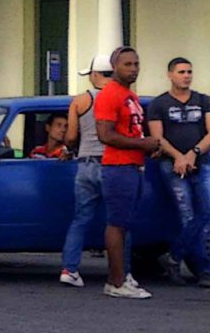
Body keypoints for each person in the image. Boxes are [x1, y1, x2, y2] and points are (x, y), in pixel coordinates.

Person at [91, 48, 160, 299]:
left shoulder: (129, 94)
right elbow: (105, 135)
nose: (133, 68)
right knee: (117, 224)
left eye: (136, 64)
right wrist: (143, 144)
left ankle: (123, 275)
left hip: (134, 165)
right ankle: (116, 281)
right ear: (115, 67)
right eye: (127, 64)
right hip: (118, 167)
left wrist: (146, 146)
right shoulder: (109, 94)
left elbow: (131, 131)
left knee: (126, 224)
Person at [149, 57, 210, 284]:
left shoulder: (203, 101)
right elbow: (157, 137)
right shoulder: (159, 104)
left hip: (201, 163)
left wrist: (193, 153)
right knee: (187, 215)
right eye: (181, 72)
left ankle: (173, 256)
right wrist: (178, 157)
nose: (186, 76)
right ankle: (203, 270)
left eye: (189, 72)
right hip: (171, 165)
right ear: (170, 75)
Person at [58, 51, 113, 289]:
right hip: (113, 165)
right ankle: (122, 271)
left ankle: (70, 269)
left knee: (81, 219)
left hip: (86, 164)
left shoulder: (81, 100)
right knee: (118, 222)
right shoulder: (121, 97)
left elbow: (71, 137)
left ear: (95, 74)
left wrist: (70, 150)